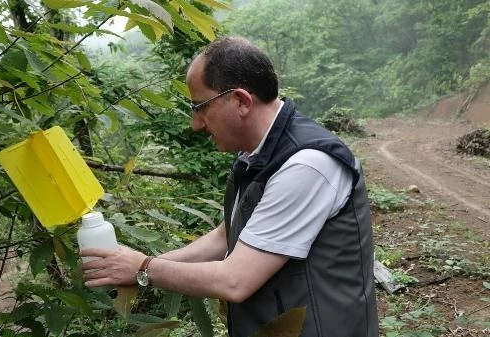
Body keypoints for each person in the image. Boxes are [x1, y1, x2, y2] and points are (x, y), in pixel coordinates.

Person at [81, 36, 379, 337]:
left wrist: (143, 269)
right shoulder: (256, 154)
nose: (195, 123)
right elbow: (225, 237)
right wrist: (133, 265)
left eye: (200, 107)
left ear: (241, 101)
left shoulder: (306, 165)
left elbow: (234, 280)